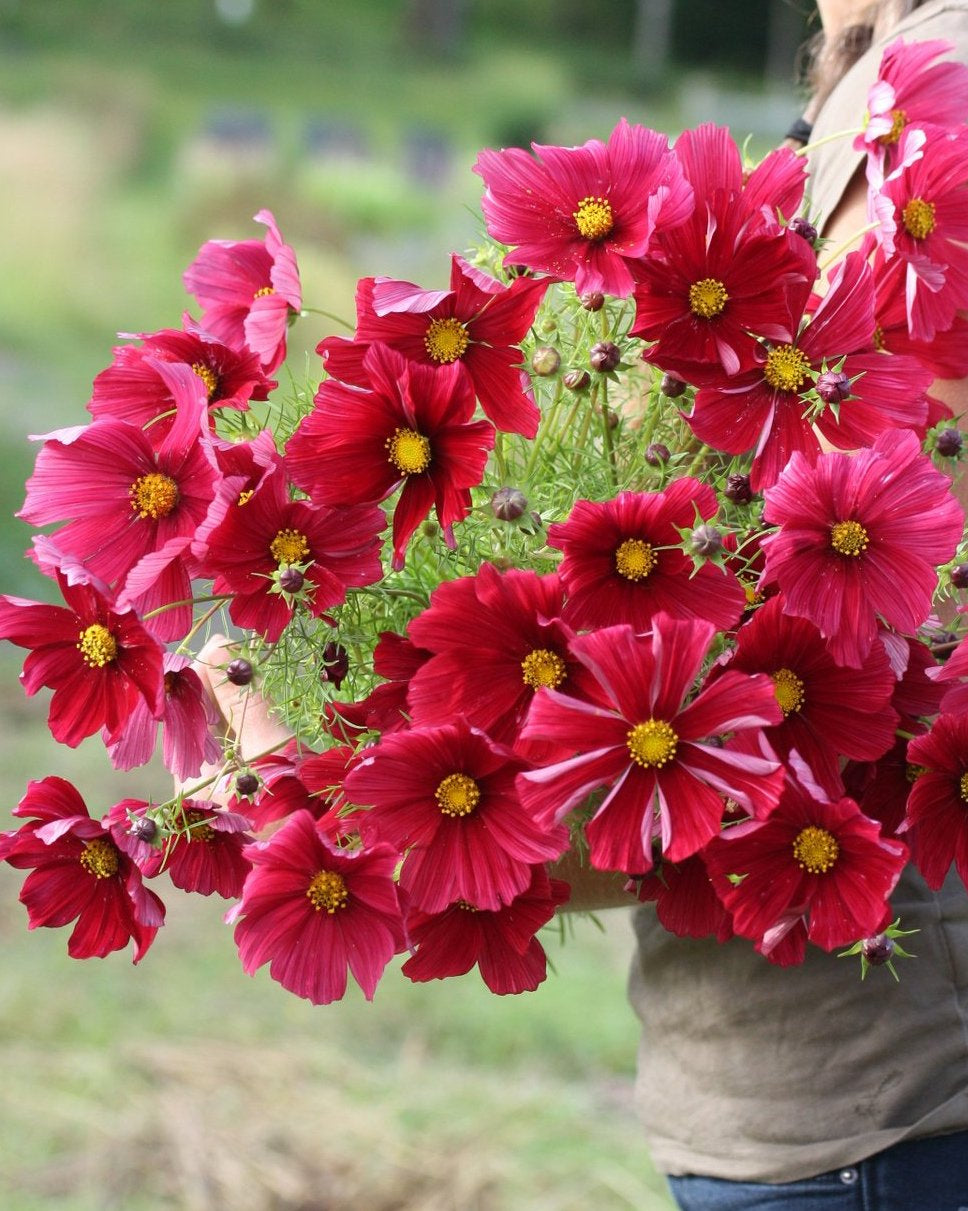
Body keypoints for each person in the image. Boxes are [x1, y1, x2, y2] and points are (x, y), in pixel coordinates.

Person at [192, 4, 968, 1207]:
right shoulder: (859, 95)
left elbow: (863, 547)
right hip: (800, 1083)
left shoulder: (933, 77)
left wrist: (340, 785)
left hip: (871, 1092)